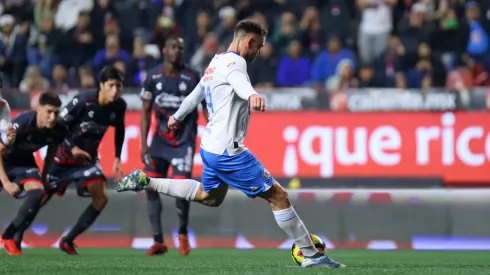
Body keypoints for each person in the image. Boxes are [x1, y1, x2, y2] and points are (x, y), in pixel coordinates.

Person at [117, 19, 345, 268]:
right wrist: (253, 95)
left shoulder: (215, 62)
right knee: (279, 196)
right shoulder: (236, 64)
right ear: (249, 41)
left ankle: (146, 181)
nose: (257, 52)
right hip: (228, 151)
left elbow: (196, 94)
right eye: (257, 47)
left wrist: (177, 116)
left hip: (210, 147)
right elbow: (240, 82)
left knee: (209, 197)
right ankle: (311, 255)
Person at [13, 66, 127, 255]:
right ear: (101, 85)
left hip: (86, 160)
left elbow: (120, 130)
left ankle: (68, 240)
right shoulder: (82, 100)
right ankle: (16, 237)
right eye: (111, 85)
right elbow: (59, 126)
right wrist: (72, 148)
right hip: (62, 157)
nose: (115, 91)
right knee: (40, 198)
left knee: (101, 196)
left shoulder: (119, 106)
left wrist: (116, 156)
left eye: (119, 86)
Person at [140, 35, 208, 256]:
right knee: (150, 187)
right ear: (164, 50)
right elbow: (145, 113)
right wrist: (143, 144)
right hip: (159, 142)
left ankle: (182, 233)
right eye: (173, 47)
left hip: (183, 142)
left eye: (181, 47)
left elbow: (206, 106)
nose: (177, 51)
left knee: (181, 190)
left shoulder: (192, 77)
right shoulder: (153, 77)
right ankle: (158, 240)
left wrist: (211, 130)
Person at [0, 92, 67, 255]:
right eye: (49, 112)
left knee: (38, 192)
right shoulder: (22, 124)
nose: (52, 117)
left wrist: (44, 175)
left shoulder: (59, 128)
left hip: (24, 162)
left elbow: (52, 150)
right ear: (38, 109)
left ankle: (9, 236)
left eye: (56, 113)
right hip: (4, 160)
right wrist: (6, 182)